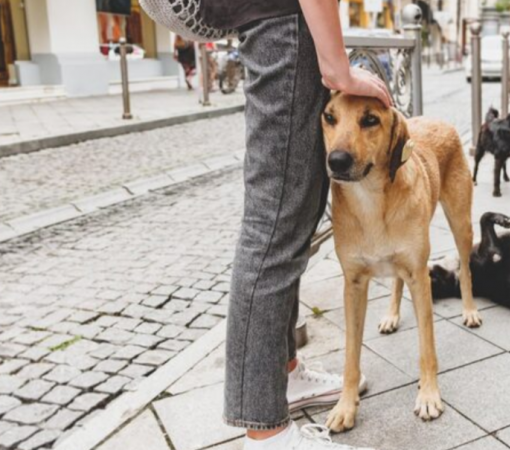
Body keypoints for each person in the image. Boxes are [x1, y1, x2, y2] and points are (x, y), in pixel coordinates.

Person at [198, 0, 392, 449]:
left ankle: (284, 374)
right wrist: (339, 70)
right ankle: (265, 430)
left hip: (282, 21)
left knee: (296, 212)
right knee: (274, 226)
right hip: (283, 22)